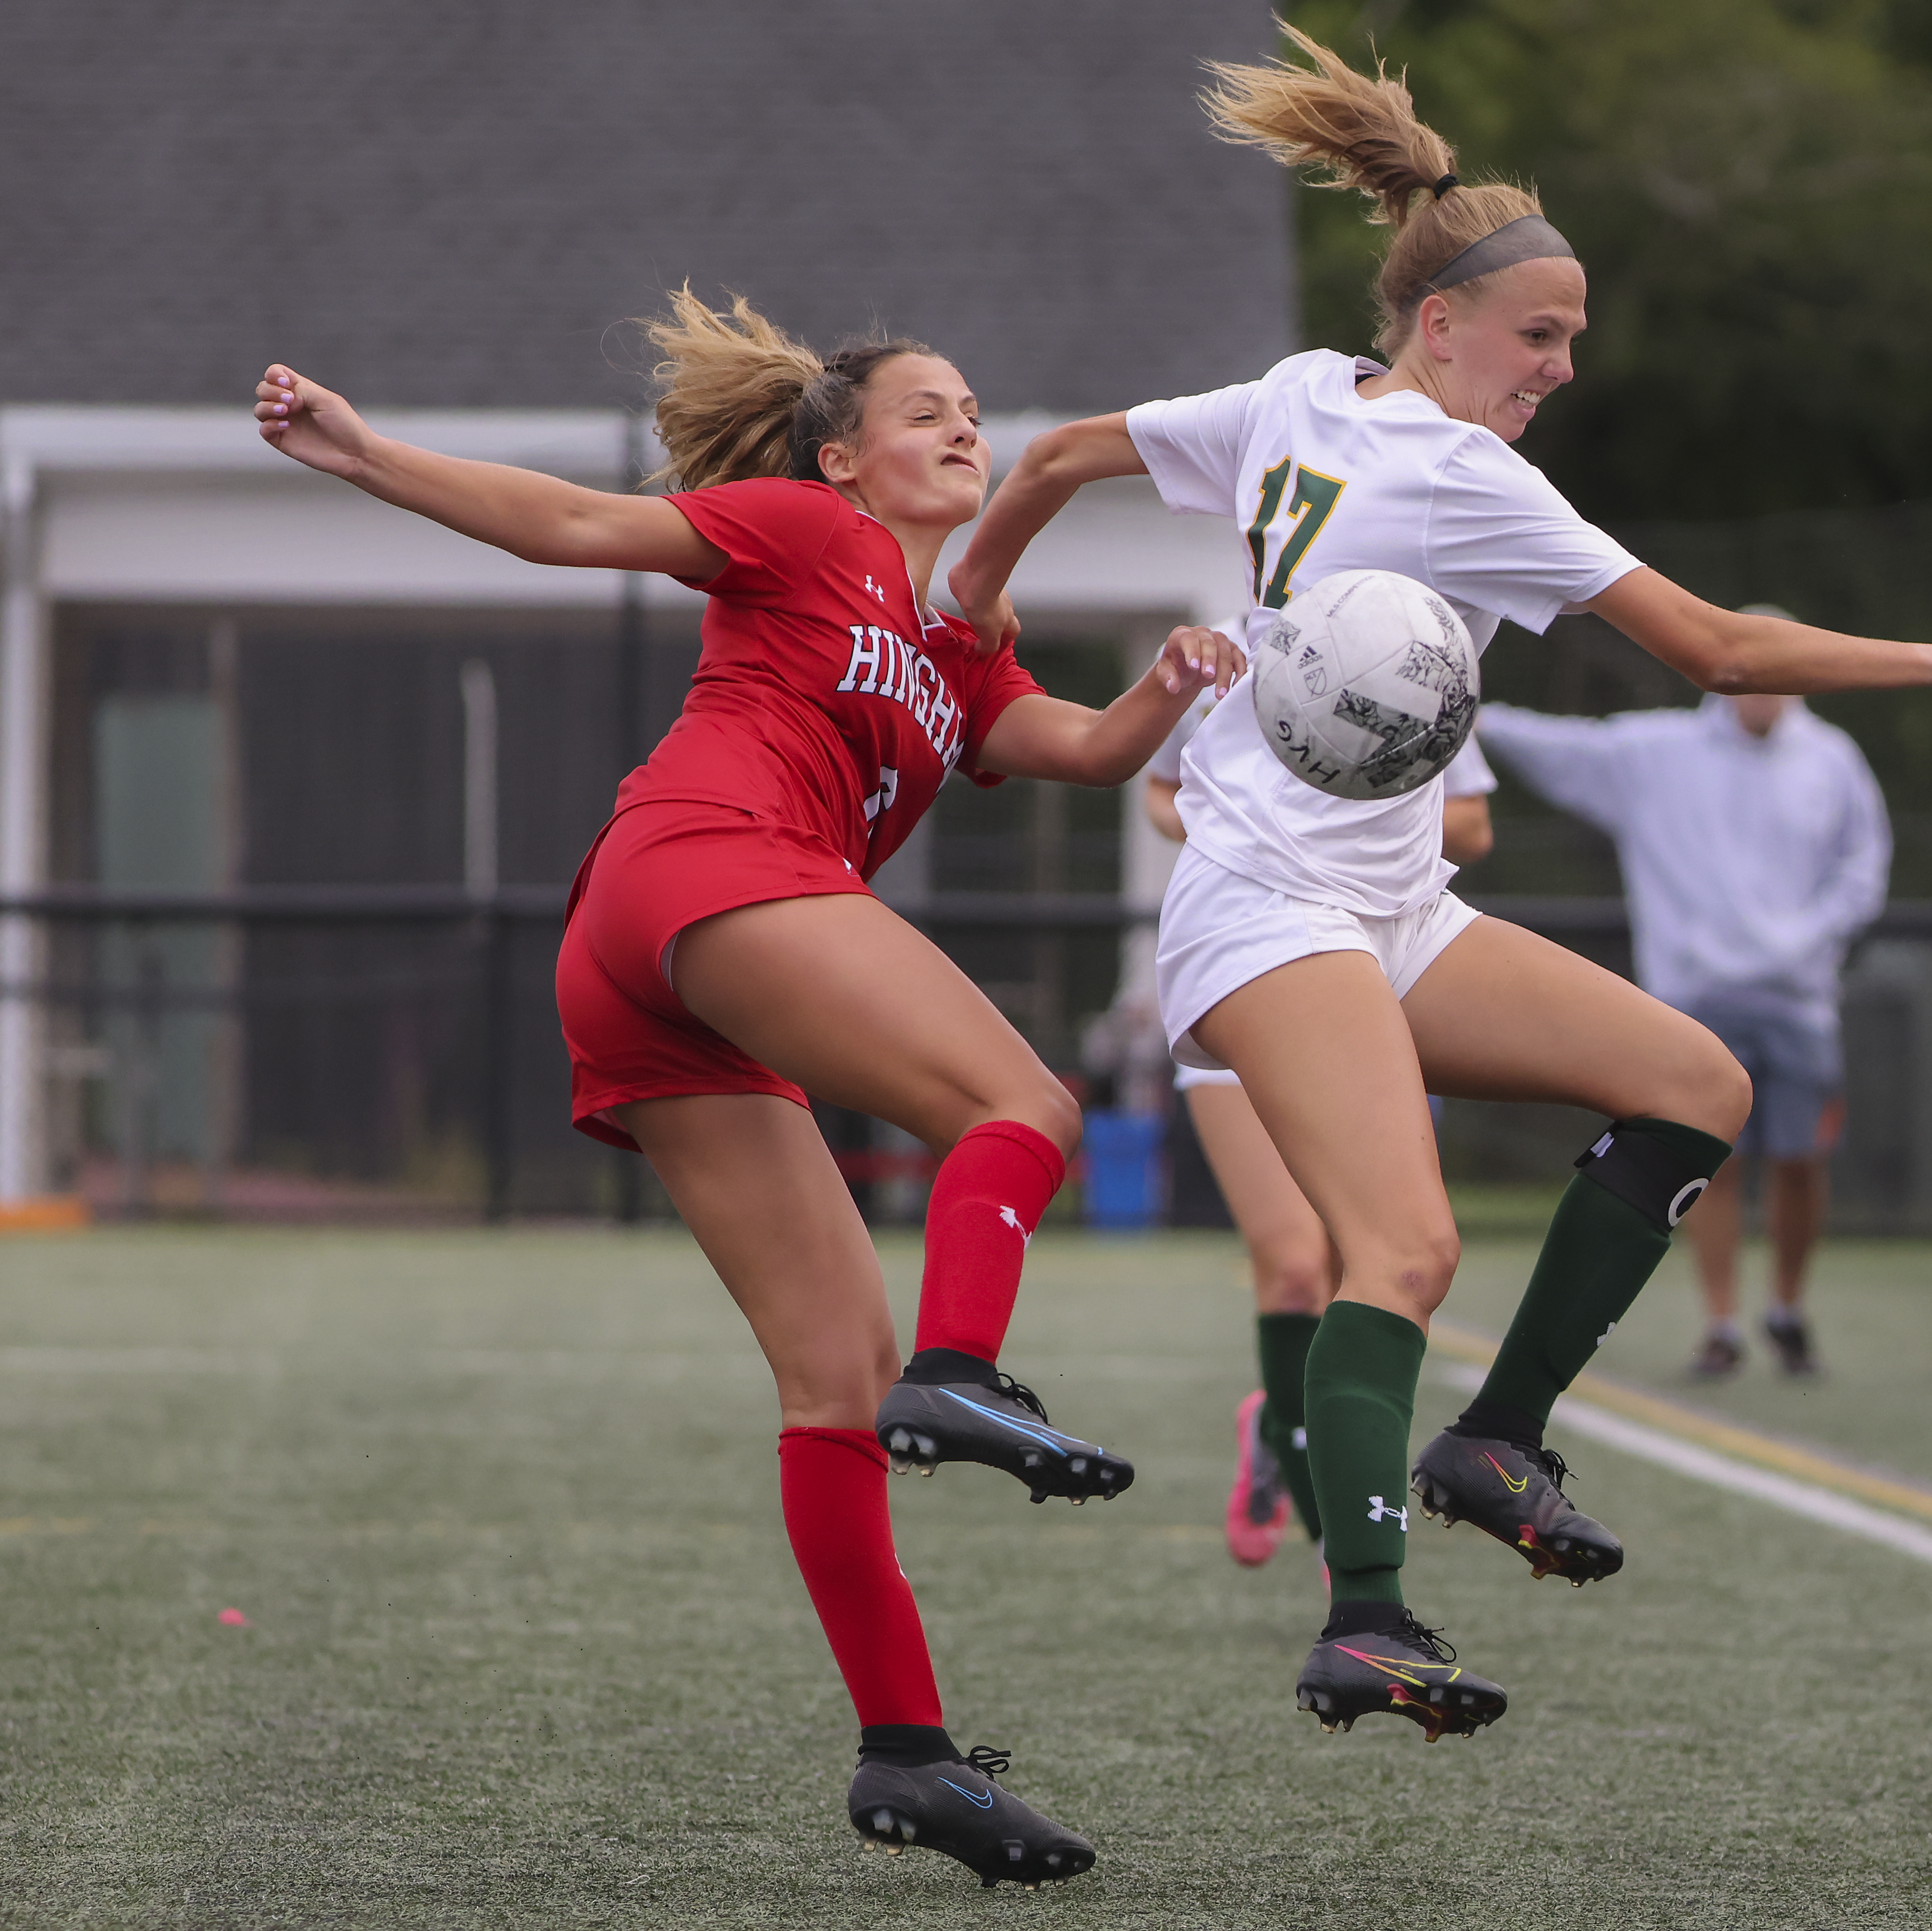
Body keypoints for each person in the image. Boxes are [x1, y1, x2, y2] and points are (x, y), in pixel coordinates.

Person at [943, 26, 1932, 1741]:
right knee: (1403, 1243)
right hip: (1270, 898)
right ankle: (1365, 1613)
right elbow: (1716, 647)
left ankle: (1496, 1437)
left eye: (1574, 338)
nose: (1562, 366)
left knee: (1694, 1082)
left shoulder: (1291, 396)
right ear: (1441, 323)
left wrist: (971, 601)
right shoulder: (1464, 470)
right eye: (1541, 334)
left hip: (1391, 902)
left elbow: (1045, 457)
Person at [251, 292, 1245, 1884]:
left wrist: (1174, 684)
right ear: (843, 459)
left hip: (657, 973)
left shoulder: (958, 650)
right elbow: (575, 522)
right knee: (1027, 1110)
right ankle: (971, 1364)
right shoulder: (794, 527)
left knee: (833, 1379)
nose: (966, 429)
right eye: (930, 410)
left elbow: (1082, 749)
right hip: (707, 869)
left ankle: (911, 1755)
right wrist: (366, 456)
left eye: (976, 410)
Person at [1141, 692, 1500, 1566]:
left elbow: (1475, 824)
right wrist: (1253, 831)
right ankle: (1340, 1551)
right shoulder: (1227, 653)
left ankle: (1282, 1413)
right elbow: (1158, 791)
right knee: (1296, 1268)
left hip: (1360, 971)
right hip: (1247, 953)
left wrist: (1362, 812)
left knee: (1371, 1262)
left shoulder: (1408, 660)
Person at [1474, 668, 1892, 1381]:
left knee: (1801, 1161)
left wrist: (1808, 938)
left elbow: (1865, 866)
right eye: (1758, 669)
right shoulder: (1656, 751)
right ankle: (1721, 1323)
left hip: (1800, 1002)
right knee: (1708, 1163)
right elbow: (1549, 745)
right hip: (1693, 1001)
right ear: (1731, 674)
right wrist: (1459, 705)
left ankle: (1787, 1310)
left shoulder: (1832, 759)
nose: (1770, 688)